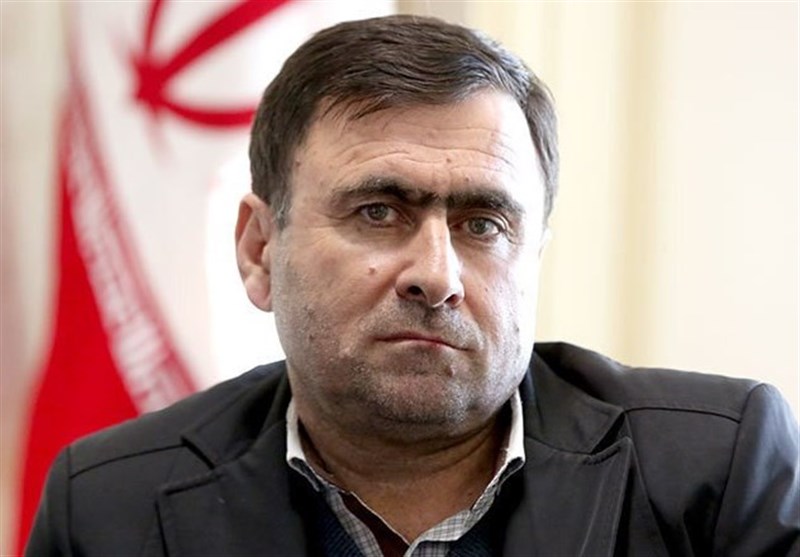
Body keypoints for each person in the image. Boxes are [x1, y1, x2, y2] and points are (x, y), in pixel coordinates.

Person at [27, 14, 798, 557]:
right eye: (378, 211)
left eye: (483, 224)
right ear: (260, 251)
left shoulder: (712, 471)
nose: (437, 275)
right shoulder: (110, 504)